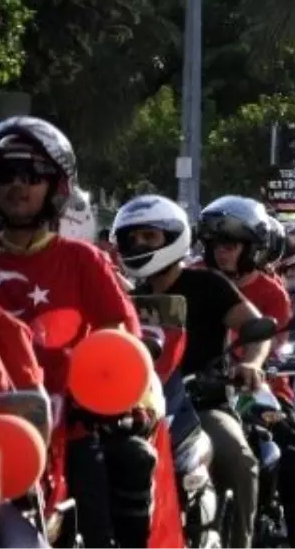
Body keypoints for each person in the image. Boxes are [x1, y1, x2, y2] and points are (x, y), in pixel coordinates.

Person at [0, 116, 154, 549]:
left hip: (72, 430)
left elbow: (121, 335)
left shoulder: (83, 260)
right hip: (0, 433)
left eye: (31, 175)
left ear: (56, 187)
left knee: (117, 484)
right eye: (4, 174)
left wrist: (116, 398)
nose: (16, 186)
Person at [113, 194, 269, 549]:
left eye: (149, 237)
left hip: (202, 406)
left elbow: (254, 327)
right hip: (141, 410)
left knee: (239, 460)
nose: (138, 244)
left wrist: (251, 363)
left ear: (174, 237)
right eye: (132, 238)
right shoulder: (124, 296)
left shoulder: (209, 285)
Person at [197, 196, 295, 549]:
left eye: (230, 245)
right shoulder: (195, 281)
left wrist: (252, 365)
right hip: (197, 389)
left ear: (253, 248)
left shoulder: (271, 292)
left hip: (260, 390)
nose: (221, 253)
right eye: (215, 245)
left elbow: (274, 343)